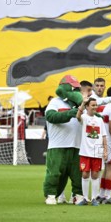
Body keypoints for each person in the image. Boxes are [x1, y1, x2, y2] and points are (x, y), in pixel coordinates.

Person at [43, 75, 85, 205]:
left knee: (77, 174)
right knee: (55, 173)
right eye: (73, 87)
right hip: (57, 145)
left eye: (77, 88)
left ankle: (78, 195)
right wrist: (70, 113)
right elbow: (51, 116)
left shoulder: (81, 104)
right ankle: (50, 195)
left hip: (77, 145)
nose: (75, 91)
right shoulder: (55, 102)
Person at [76, 96, 107, 206]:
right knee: (85, 174)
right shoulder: (84, 117)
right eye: (92, 105)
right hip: (85, 151)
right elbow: (77, 116)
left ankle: (94, 198)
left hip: (97, 152)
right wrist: (82, 104)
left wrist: (105, 150)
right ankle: (85, 198)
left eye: (96, 105)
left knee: (95, 175)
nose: (95, 107)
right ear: (87, 107)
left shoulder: (99, 120)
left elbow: (103, 136)